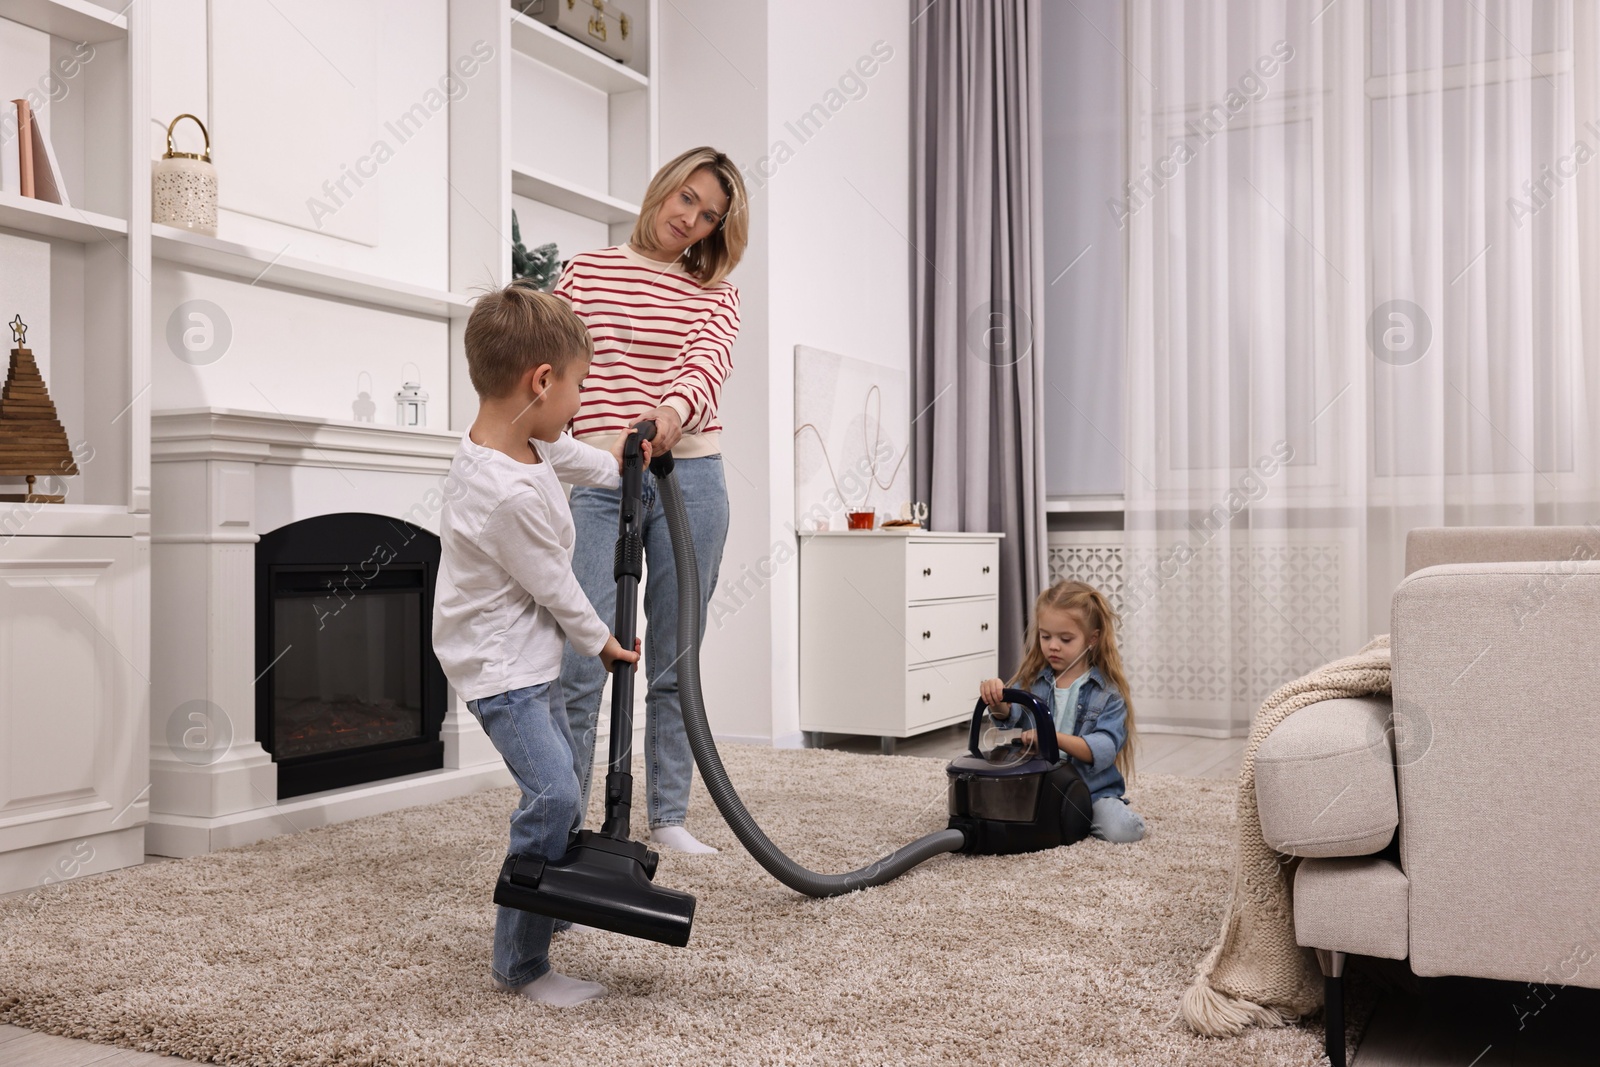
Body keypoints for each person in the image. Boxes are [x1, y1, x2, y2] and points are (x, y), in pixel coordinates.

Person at [432, 282, 649, 1006]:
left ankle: (546, 906)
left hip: (527, 655)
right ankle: (520, 962)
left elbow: (560, 453)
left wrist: (620, 464)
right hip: (501, 669)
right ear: (542, 379)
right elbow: (557, 586)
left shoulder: (513, 439)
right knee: (554, 793)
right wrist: (607, 643)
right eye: (579, 385)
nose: (580, 402)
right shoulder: (503, 493)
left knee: (563, 785)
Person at [554, 146, 748, 855]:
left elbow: (708, 361)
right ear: (664, 187)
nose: (690, 219)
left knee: (674, 656)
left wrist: (669, 412)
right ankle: (565, 816)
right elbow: (550, 360)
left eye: (709, 215)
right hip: (603, 479)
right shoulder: (586, 270)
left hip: (688, 478)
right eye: (686, 198)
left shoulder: (716, 290)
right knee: (581, 656)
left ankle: (667, 816)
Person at [978, 580, 1145, 843]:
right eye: (1046, 637)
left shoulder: (1109, 693)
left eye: (1065, 639)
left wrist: (1050, 737)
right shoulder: (1033, 680)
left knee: (1123, 831)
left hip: (1091, 791)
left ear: (1092, 639)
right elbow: (1009, 716)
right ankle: (1062, 818)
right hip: (1037, 784)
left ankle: (1078, 815)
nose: (1053, 646)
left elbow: (1104, 747)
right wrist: (996, 698)